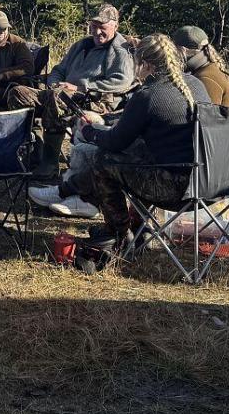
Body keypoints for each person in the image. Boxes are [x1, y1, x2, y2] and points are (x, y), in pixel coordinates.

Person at [77, 34, 211, 252]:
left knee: (102, 160)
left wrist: (89, 131)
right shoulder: (196, 84)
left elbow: (115, 142)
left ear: (145, 64)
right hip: (208, 182)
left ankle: (118, 233)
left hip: (175, 189)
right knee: (142, 153)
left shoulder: (148, 95)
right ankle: (139, 225)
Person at [7, 3, 135, 180]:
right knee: (18, 93)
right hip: (61, 93)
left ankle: (50, 163)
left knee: (57, 97)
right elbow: (59, 69)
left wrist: (81, 87)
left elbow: (122, 81)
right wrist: (54, 83)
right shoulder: (81, 45)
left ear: (115, 25)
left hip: (94, 101)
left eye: (102, 27)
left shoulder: (121, 49)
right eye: (94, 26)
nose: (97, 31)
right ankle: (36, 150)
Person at [172, 25, 229, 107]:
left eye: (174, 49)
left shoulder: (205, 78)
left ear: (183, 50)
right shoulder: (210, 69)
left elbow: (208, 113)